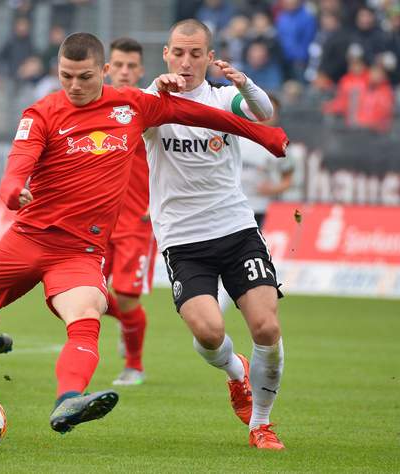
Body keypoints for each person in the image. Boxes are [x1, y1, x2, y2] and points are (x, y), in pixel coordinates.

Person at [0, 31, 288, 435]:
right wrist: (11, 191)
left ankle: (68, 399)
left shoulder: (130, 106)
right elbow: (19, 162)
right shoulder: (39, 114)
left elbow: (199, 115)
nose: (74, 86)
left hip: (80, 250)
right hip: (27, 238)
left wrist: (264, 135)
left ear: (105, 72)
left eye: (85, 77)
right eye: (66, 76)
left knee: (88, 312)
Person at [144, 19, 287, 449]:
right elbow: (136, 116)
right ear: (166, 54)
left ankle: (260, 424)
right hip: (183, 240)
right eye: (178, 53)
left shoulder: (224, 99)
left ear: (210, 57)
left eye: (195, 54)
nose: (186, 63)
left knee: (266, 326)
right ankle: (235, 373)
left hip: (235, 228)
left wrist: (245, 84)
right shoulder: (152, 103)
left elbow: (264, 114)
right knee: (208, 333)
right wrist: (156, 89)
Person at [101, 37, 153, 386]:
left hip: (137, 219)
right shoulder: (90, 105)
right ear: (106, 69)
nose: (124, 71)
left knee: (128, 298)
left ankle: (134, 365)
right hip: (94, 222)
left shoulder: (151, 108)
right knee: (83, 294)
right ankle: (127, 324)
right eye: (118, 65)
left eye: (131, 66)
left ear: (141, 70)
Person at [240, 95, 294, 228]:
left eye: (272, 112)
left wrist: (272, 189)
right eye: (262, 109)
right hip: (231, 205)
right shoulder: (236, 135)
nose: (267, 115)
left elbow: (288, 180)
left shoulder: (280, 144)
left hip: (258, 207)